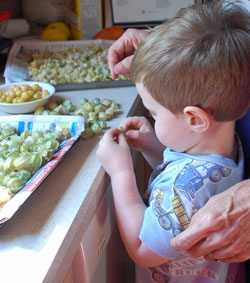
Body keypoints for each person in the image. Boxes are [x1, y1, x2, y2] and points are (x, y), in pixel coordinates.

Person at [97, 0, 250, 281]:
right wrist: (156, 148)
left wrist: (121, 172)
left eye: (154, 112)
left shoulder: (180, 188)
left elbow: (142, 249)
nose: (152, 117)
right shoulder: (229, 144)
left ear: (195, 119)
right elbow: (198, 179)